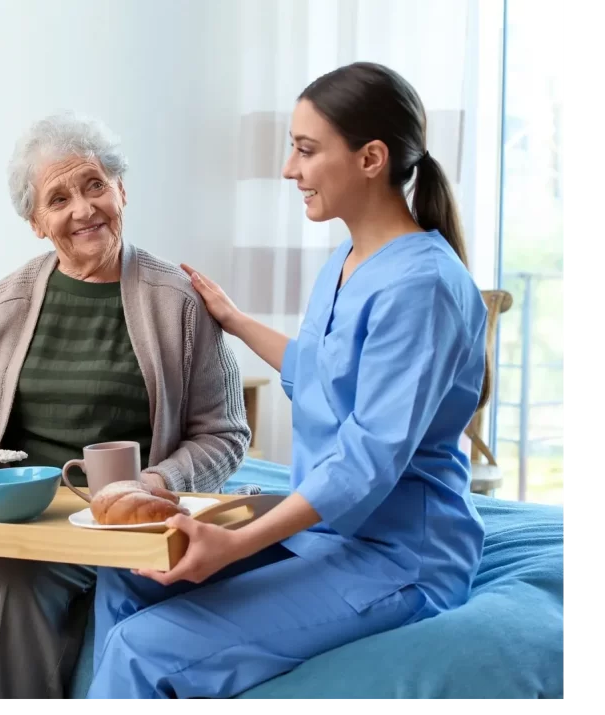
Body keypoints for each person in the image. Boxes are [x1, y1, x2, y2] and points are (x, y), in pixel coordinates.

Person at [86, 61, 491, 700]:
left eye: (305, 150)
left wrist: (236, 541)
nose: (288, 169)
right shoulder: (346, 261)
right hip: (324, 535)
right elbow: (320, 373)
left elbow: (365, 459)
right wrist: (237, 321)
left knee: (144, 648)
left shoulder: (424, 287)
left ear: (371, 158)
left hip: (399, 560)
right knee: (130, 573)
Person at [0, 112, 251, 700]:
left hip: (101, 519)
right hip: (7, 510)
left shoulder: (177, 303)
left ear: (122, 191)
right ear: (36, 222)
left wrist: (155, 482)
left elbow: (226, 434)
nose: (82, 209)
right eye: (58, 198)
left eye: (94, 185)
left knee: (13, 583)